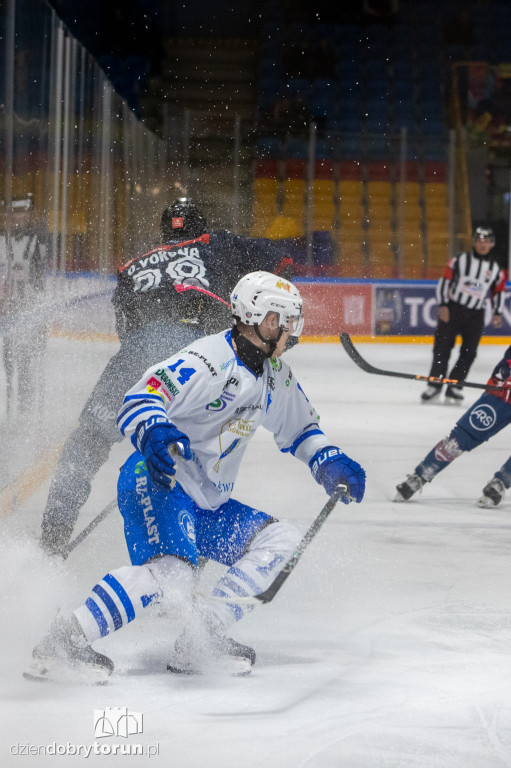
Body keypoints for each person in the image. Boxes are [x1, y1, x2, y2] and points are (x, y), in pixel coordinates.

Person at [24, 270, 366, 682]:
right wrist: (154, 430)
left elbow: (302, 430)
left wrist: (329, 461)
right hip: (158, 480)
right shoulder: (207, 360)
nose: (291, 331)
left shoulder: (275, 376)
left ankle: (201, 638)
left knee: (281, 541)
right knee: (172, 574)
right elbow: (140, 398)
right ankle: (65, 640)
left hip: (205, 502)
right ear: (259, 317)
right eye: (283, 320)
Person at [40, 198, 293, 557]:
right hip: (193, 357)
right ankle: (183, 558)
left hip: (137, 355)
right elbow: (280, 260)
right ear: (201, 228)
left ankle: (51, 537)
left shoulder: (130, 267)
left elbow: (126, 333)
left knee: (88, 442)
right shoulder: (214, 244)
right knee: (196, 460)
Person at [395, 344, 511, 505]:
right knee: (461, 437)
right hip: (502, 394)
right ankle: (421, 476)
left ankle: (500, 483)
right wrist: (506, 376)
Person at [421, 225, 506, 404]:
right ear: (473, 243)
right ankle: (435, 385)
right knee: (442, 349)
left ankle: (455, 386)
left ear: (492, 244)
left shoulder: (495, 269)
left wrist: (497, 313)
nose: (482, 245)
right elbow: (445, 282)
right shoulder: (459, 261)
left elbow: (498, 292)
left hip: (476, 315)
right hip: (453, 310)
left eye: (486, 242)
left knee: (469, 353)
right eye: (479, 241)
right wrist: (443, 305)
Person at [0, 195, 47, 416]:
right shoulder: (2, 239)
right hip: (7, 310)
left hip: (28, 308)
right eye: (14, 213)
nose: (18, 217)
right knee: (8, 360)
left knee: (27, 362)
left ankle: (24, 411)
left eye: (23, 213)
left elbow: (40, 280)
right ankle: (8, 406)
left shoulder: (37, 240)